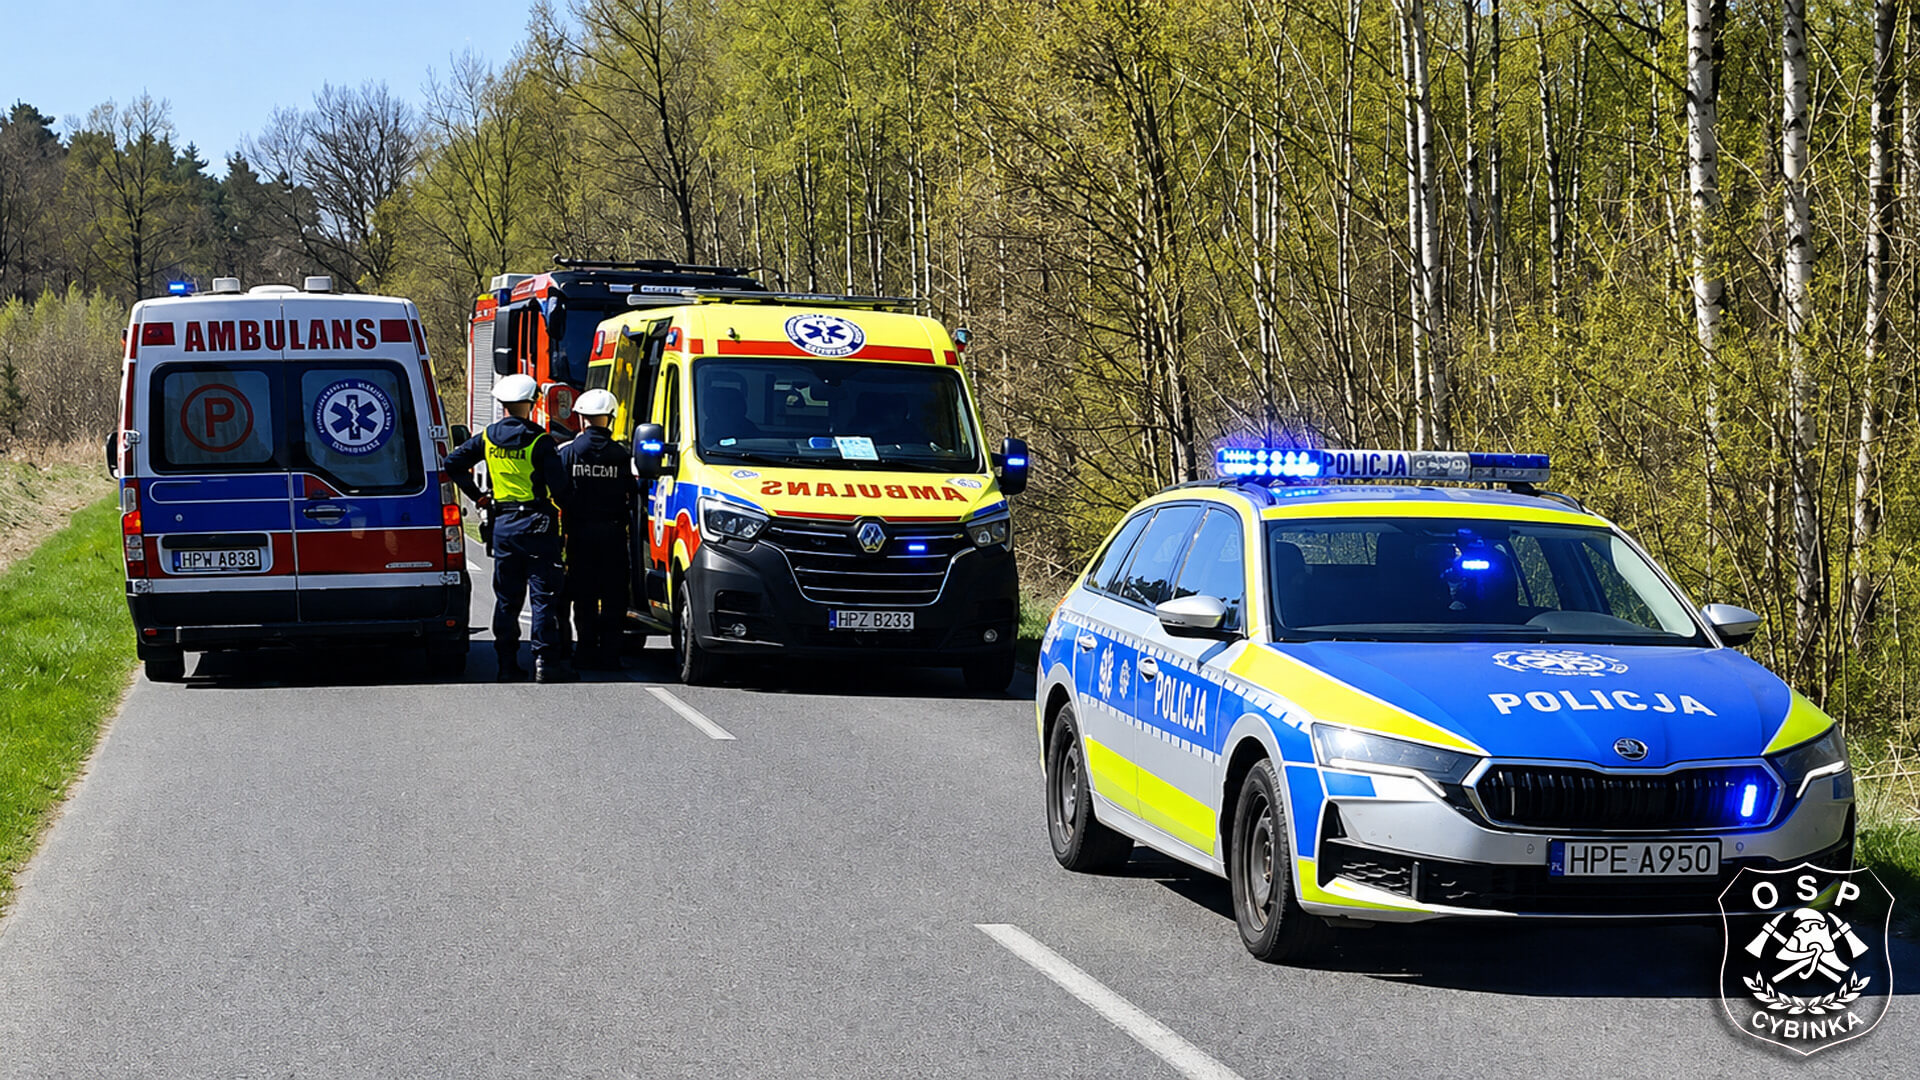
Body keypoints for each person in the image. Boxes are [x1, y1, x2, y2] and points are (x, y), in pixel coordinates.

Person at [446, 373, 575, 683]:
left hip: (503, 526)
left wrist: (478, 496)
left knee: (507, 599)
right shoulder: (540, 440)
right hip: (537, 526)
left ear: (503, 404)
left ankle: (506, 664)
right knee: (543, 596)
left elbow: (452, 463)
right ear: (532, 403)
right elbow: (560, 490)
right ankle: (545, 662)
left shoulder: (488, 437)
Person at [558, 389, 640, 669]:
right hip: (614, 536)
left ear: (582, 419)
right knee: (615, 597)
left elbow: (557, 492)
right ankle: (611, 654)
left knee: (584, 596)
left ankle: (585, 651)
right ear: (611, 418)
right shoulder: (622, 456)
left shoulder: (567, 454)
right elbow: (633, 493)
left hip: (578, 536)